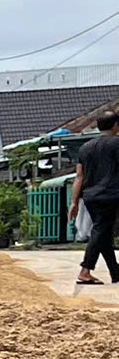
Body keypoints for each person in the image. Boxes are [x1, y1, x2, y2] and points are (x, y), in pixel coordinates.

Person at [77, 109, 119, 286]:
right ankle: (85, 270)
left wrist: (73, 202)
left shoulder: (85, 147)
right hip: (110, 194)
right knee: (100, 231)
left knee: (103, 233)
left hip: (90, 196)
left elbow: (79, 176)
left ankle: (115, 272)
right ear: (116, 125)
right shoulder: (117, 144)